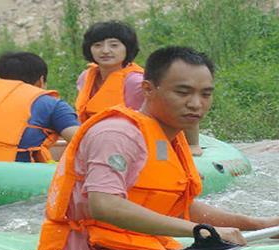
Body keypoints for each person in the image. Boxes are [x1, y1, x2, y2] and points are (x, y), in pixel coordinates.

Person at [35, 46, 279, 250]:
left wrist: (257, 224)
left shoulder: (169, 139)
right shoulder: (117, 134)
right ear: (149, 89)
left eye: (205, 94)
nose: (196, 104)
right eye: (182, 92)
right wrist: (202, 233)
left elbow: (179, 206)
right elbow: (104, 205)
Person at [76, 21, 203, 156]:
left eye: (114, 45)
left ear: (127, 48)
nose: (105, 51)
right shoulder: (86, 77)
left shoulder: (136, 82)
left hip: (149, 143)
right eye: (97, 45)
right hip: (103, 143)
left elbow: (179, 107)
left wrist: (192, 144)